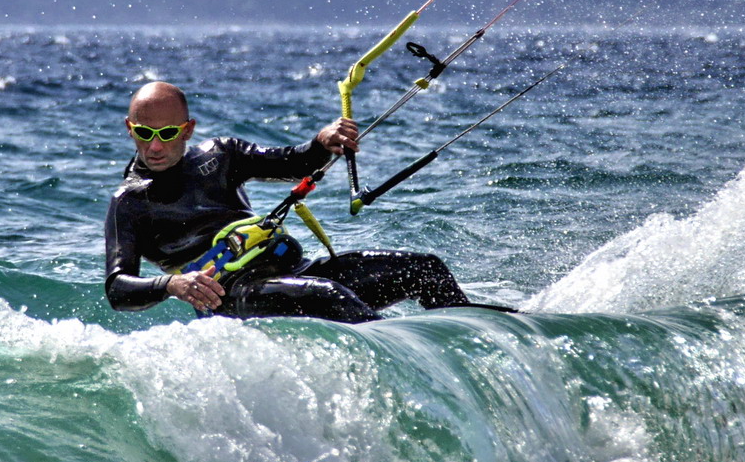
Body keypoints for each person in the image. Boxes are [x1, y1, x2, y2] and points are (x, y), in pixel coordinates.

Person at [105, 80, 484, 322]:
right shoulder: (130, 202)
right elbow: (118, 289)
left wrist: (323, 141)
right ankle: (410, 370)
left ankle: (469, 345)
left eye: (167, 133)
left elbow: (296, 162)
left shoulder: (222, 156)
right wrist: (172, 286)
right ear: (128, 128)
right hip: (237, 296)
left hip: (296, 271)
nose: (155, 145)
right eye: (143, 133)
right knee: (332, 298)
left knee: (424, 269)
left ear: (188, 129)